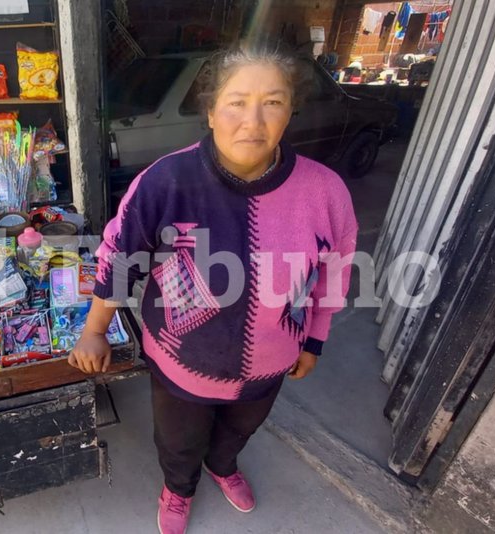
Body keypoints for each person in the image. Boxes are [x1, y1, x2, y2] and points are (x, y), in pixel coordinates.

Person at [69, 41, 358, 534]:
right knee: (179, 440)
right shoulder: (165, 182)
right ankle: (178, 488)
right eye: (237, 102)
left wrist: (314, 340)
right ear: (209, 111)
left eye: (273, 102)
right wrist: (94, 330)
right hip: (182, 358)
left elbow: (334, 272)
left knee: (240, 428)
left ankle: (222, 466)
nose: (254, 120)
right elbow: (120, 257)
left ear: (291, 112)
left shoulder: (325, 191)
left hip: (272, 360)